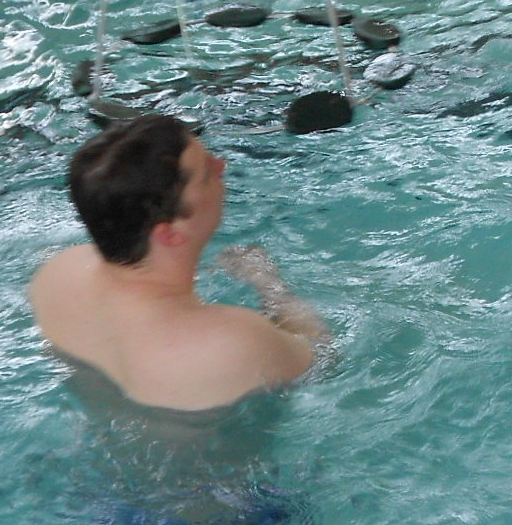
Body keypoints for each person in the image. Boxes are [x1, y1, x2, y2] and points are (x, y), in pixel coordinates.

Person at [30, 115, 327, 412]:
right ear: (170, 234)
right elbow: (323, 358)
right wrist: (268, 283)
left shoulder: (58, 273)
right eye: (206, 174)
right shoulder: (233, 342)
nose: (221, 166)